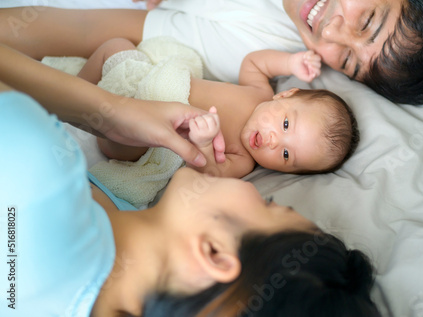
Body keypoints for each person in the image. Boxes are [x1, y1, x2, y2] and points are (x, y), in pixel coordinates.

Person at [0, 44, 381, 317]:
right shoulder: (121, 211)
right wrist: (114, 113)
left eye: (267, 205)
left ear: (215, 253)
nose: (253, 188)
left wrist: (111, 111)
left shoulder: (35, 175)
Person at [0, 0, 423, 105]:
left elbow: (81, 31)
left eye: (347, 61)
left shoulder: (259, 49)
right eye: (367, 21)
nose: (330, 35)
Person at [80, 38, 358, 179]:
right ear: (286, 94)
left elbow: (209, 173)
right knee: (115, 46)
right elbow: (254, 62)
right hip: (147, 83)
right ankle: (68, 91)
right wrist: (290, 64)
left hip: (142, 137)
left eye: (286, 154)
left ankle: (77, 107)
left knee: (114, 135)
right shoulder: (260, 93)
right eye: (285, 125)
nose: (274, 141)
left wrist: (202, 144)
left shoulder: (244, 160)